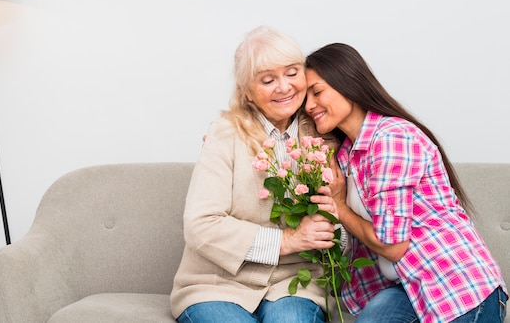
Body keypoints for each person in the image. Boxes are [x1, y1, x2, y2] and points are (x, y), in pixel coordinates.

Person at [303, 42, 508, 323]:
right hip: (410, 289)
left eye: (317, 92)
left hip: (456, 290)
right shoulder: (346, 155)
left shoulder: (391, 139)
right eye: (305, 98)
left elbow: (393, 246)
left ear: (348, 83)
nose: (310, 105)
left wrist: (340, 207)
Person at [170, 26, 342, 323]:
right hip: (215, 286)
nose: (284, 87)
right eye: (267, 79)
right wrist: (287, 241)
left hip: (296, 286)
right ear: (246, 90)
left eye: (292, 73)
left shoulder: (325, 135)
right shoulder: (225, 135)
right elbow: (201, 225)